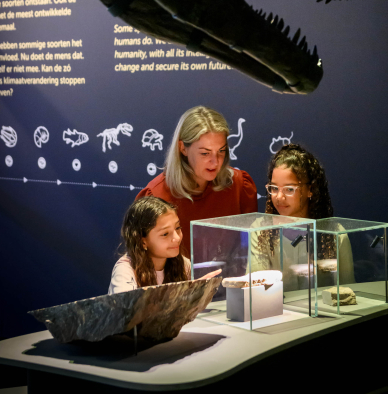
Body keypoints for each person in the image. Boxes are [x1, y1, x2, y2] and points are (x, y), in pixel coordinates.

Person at [136, 106, 257, 257]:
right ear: (183, 148)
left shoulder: (239, 185)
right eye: (205, 153)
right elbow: (142, 262)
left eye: (221, 151)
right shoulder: (155, 195)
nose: (215, 162)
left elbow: (254, 251)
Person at [259, 143, 355, 286]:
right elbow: (256, 289)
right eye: (274, 188)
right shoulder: (260, 230)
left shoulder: (335, 234)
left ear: (310, 189)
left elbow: (347, 288)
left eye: (289, 189)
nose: (279, 197)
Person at [109, 195, 221, 294]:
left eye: (178, 228)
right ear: (142, 241)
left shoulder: (183, 264)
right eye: (165, 234)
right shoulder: (125, 269)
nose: (177, 238)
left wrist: (197, 294)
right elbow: (126, 312)